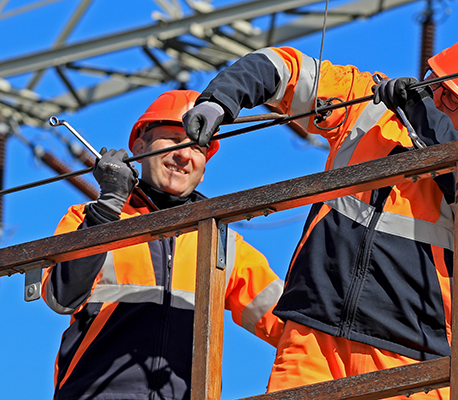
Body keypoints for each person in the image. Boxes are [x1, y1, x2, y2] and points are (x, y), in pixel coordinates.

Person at [182, 32, 458, 398]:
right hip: (313, 333)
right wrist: (219, 100)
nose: (435, 97)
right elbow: (281, 67)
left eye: (452, 99)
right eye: (435, 82)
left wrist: (421, 116)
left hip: (410, 355)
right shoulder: (367, 102)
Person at [41, 90, 284, 400]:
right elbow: (60, 297)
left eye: (198, 146)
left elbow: (289, 323)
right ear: (139, 146)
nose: (184, 155)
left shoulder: (223, 244)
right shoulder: (89, 219)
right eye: (172, 140)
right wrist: (107, 209)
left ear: (205, 161)